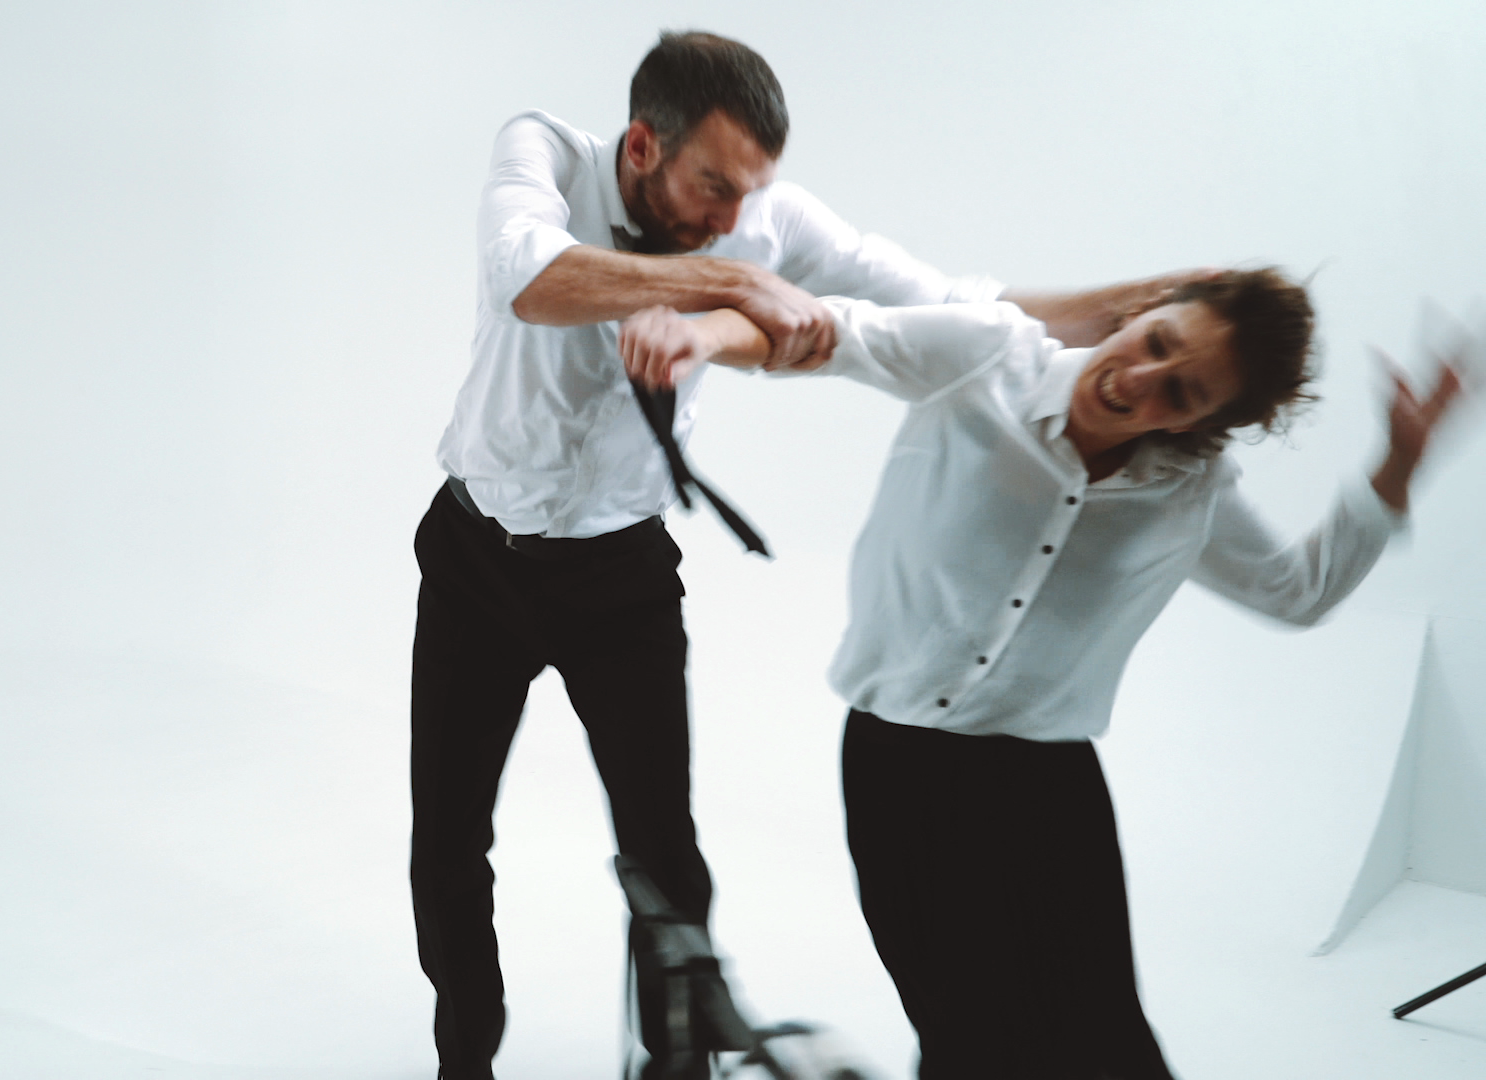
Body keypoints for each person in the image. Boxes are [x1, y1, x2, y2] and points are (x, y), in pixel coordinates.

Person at [412, 29, 1203, 1080]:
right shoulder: (546, 153)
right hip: (476, 561)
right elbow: (531, 277)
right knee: (449, 848)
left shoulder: (764, 221)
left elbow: (949, 303)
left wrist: (1142, 305)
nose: (734, 219)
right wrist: (732, 287)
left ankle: (677, 1064)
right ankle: (464, 1058)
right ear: (642, 147)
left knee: (666, 862)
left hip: (620, 579)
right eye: (712, 185)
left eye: (750, 194)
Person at [617, 268, 1467, 1078]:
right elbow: (820, 331)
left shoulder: (1186, 486)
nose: (1140, 377)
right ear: (1145, 311)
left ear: (1198, 423)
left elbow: (1297, 591)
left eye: (1182, 392)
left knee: (1109, 1048)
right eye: (1158, 341)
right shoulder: (984, 356)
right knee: (973, 1040)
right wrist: (695, 335)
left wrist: (1399, 463)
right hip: (899, 767)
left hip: (1048, 787)